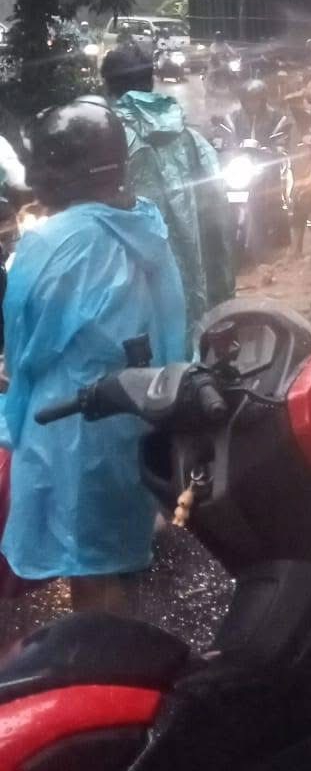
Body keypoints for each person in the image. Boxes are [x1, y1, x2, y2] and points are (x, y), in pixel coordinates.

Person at [0, 98, 185, 612]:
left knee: (91, 571)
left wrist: (11, 415)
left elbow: (26, 352)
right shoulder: (146, 225)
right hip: (138, 417)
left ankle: (112, 675)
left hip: (72, 428)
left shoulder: (49, 244)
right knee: (119, 559)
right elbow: (174, 327)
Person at [101, 41, 234, 346]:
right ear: (150, 81)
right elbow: (218, 210)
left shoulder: (104, 137)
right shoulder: (187, 134)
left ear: (108, 87)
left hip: (134, 282)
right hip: (192, 274)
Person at [228, 78, 290, 151]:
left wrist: (275, 149)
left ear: (263, 100)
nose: (251, 103)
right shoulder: (234, 118)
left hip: (267, 159)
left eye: (255, 99)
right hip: (239, 159)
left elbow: (281, 143)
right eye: (248, 100)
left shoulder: (276, 119)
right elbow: (228, 140)